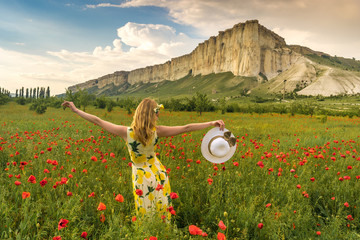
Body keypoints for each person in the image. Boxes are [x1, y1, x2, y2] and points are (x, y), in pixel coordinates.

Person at [62, 98, 225, 220]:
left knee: (145, 210)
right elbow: (186, 128)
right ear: (152, 114)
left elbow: (97, 121)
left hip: (141, 176)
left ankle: (149, 234)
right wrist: (211, 122)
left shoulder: (126, 132)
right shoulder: (157, 131)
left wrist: (76, 110)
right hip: (158, 173)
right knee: (162, 209)